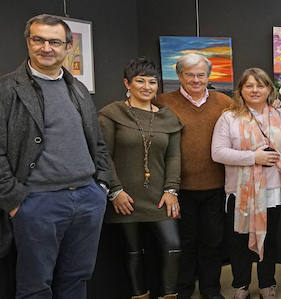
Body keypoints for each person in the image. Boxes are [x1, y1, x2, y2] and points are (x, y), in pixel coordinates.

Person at [0, 14, 112, 299]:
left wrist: (101, 187)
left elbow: (97, 144)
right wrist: (15, 201)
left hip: (87, 199)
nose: (46, 47)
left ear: (67, 47)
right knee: (35, 284)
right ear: (28, 42)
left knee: (77, 278)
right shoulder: (7, 90)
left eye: (54, 41)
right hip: (37, 202)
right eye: (38, 40)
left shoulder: (78, 89)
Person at [99, 57, 183, 299]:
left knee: (172, 246)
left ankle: (169, 295)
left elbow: (174, 158)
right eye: (140, 81)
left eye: (152, 82)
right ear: (127, 83)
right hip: (125, 197)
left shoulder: (168, 118)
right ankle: (140, 295)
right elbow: (103, 155)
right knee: (133, 251)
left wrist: (171, 190)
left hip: (160, 196)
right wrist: (115, 191)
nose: (147, 87)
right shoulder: (111, 114)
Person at [211, 68, 281, 299]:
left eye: (260, 85)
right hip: (240, 192)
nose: (255, 90)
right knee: (239, 241)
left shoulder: (277, 114)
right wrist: (253, 158)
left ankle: (267, 284)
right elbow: (217, 153)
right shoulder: (229, 117)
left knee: (269, 241)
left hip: (271, 190)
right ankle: (241, 284)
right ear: (240, 90)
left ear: (269, 89)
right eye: (249, 85)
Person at [155, 53, 232, 299]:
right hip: (179, 189)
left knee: (212, 242)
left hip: (215, 185)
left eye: (201, 75)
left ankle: (211, 289)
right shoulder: (162, 102)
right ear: (179, 76)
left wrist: (274, 103)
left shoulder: (224, 102)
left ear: (208, 76)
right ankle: (184, 290)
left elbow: (249, 117)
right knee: (185, 243)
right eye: (190, 75)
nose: (196, 80)